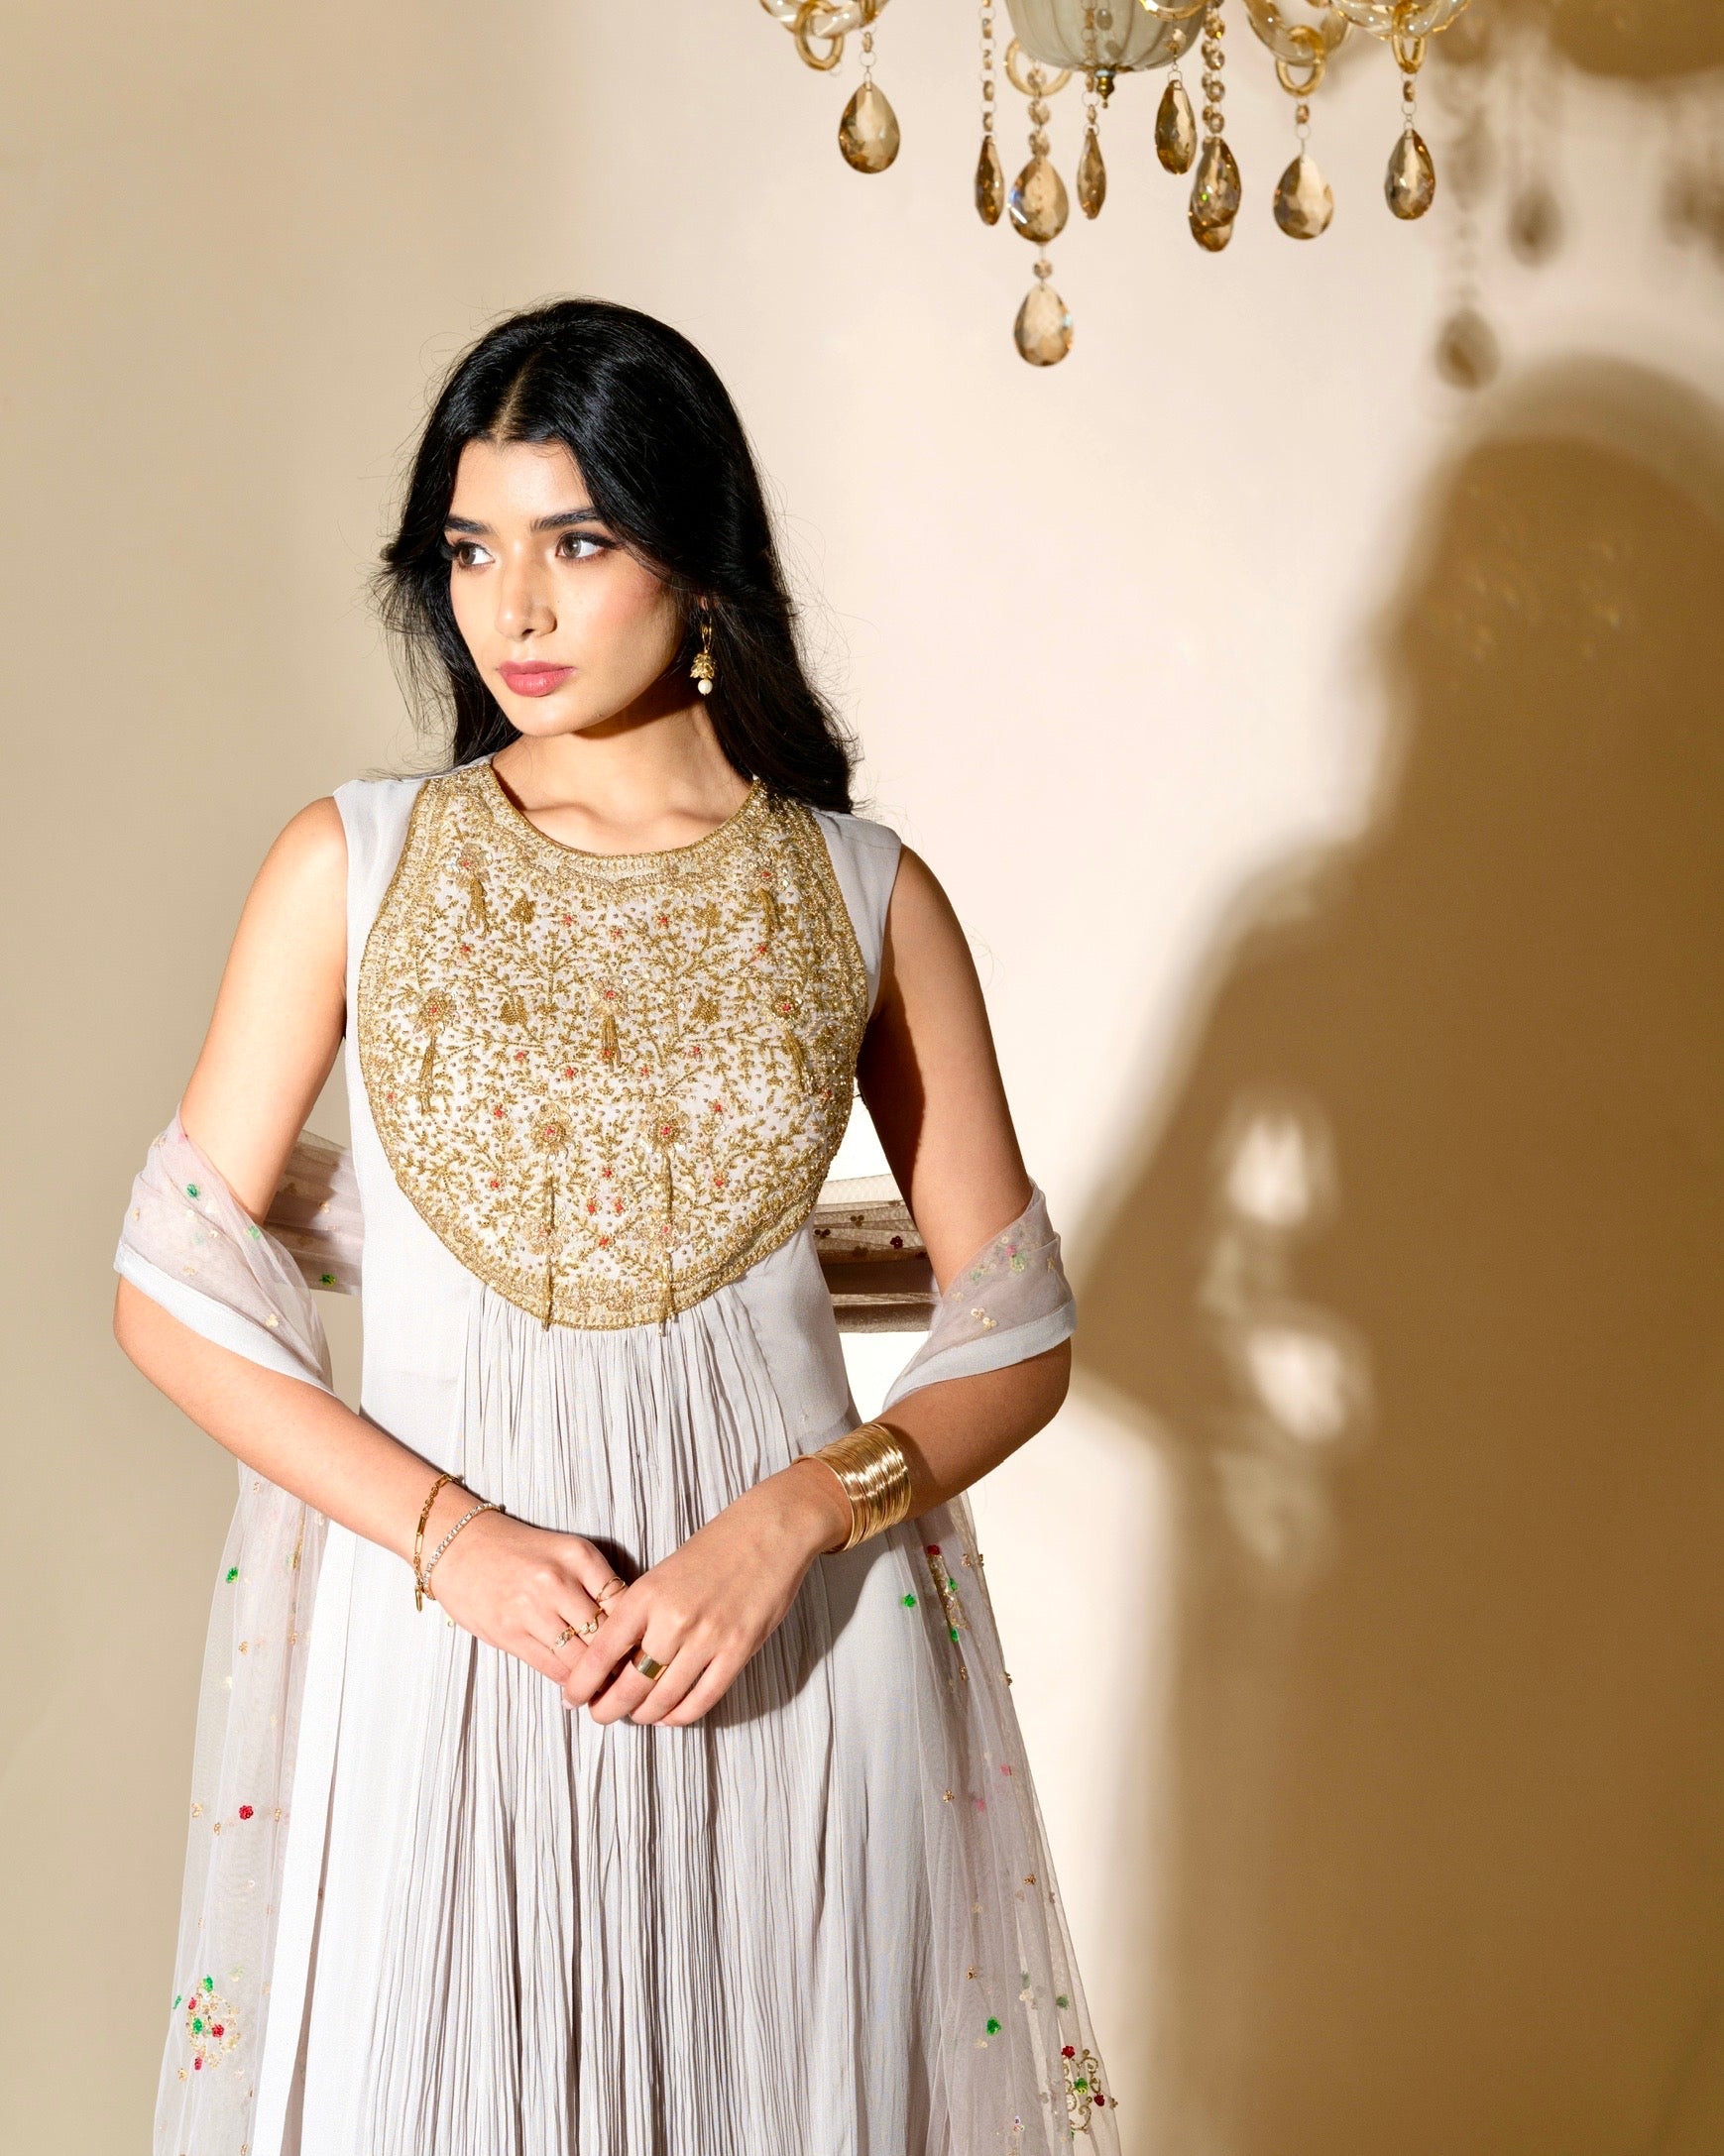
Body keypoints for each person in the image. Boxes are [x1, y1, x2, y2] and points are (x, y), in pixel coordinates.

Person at [113, 295, 1119, 2155]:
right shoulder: (355, 861)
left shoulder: (864, 891)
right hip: (455, 1650)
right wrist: (453, 1540)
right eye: (473, 550)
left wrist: (796, 1519)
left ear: (696, 550)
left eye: (578, 542)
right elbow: (175, 1283)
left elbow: (1015, 1322)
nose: (518, 611)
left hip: (800, 1658)